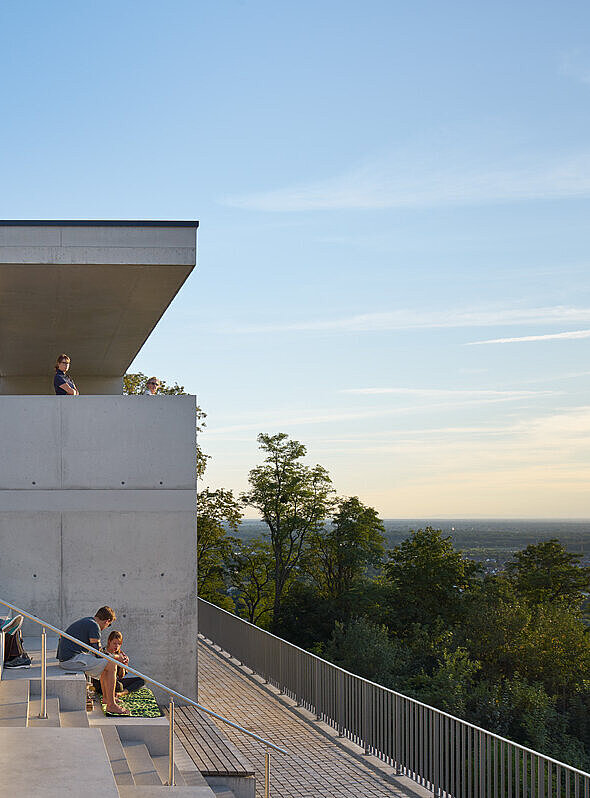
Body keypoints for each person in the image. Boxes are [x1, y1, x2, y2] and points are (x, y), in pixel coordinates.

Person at [57, 606, 130, 716]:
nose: (106, 627)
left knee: (107, 664)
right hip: (71, 660)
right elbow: (98, 654)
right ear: (107, 621)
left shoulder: (88, 621)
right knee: (111, 664)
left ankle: (106, 699)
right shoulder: (94, 626)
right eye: (108, 625)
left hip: (69, 658)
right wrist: (117, 657)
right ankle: (111, 705)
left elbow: (98, 654)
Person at [91, 630, 144, 697]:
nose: (116, 646)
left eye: (119, 644)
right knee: (119, 686)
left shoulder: (119, 654)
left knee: (141, 680)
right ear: (109, 642)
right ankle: (119, 692)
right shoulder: (102, 652)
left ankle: (122, 693)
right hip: (101, 684)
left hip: (115, 681)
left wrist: (123, 665)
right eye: (114, 643)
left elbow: (121, 676)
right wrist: (116, 658)